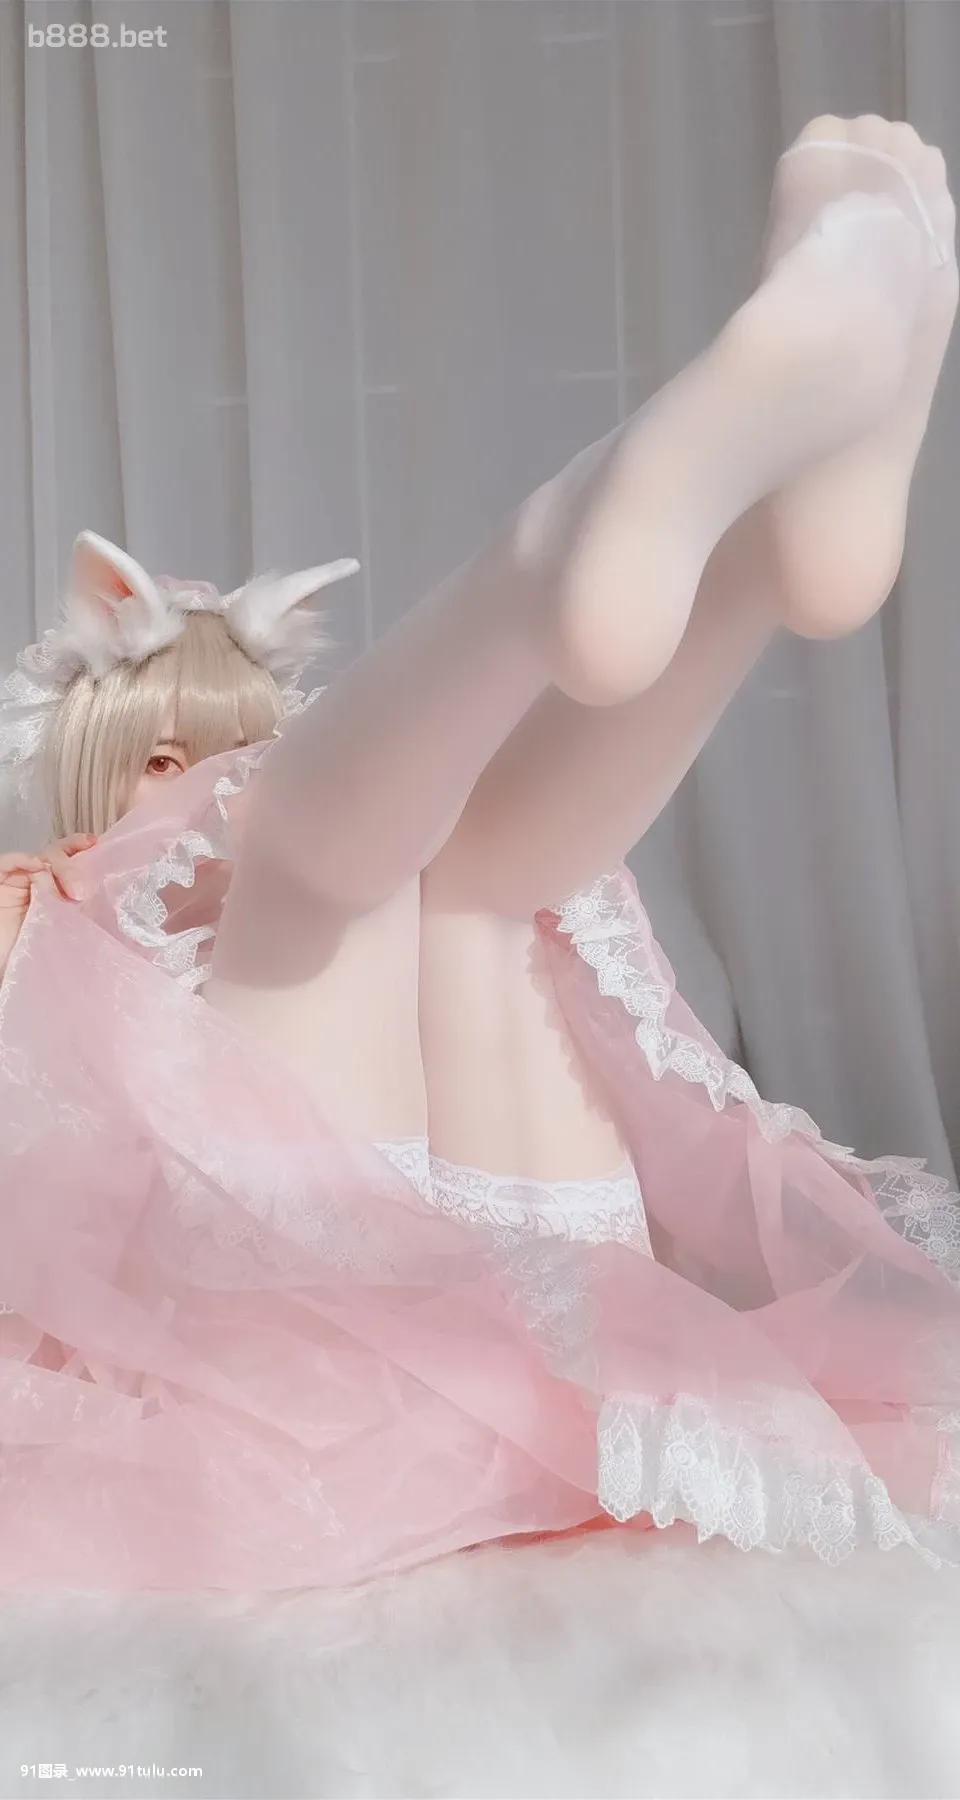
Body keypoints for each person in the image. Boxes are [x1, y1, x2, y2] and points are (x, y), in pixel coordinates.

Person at [1, 116, 958, 1591]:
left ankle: (755, 558)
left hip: (515, 1326)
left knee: (472, 886)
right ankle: (636, 558)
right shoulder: (61, 906)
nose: (195, 798)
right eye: (167, 771)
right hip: (302, 1364)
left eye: (231, 754)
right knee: (343, 866)